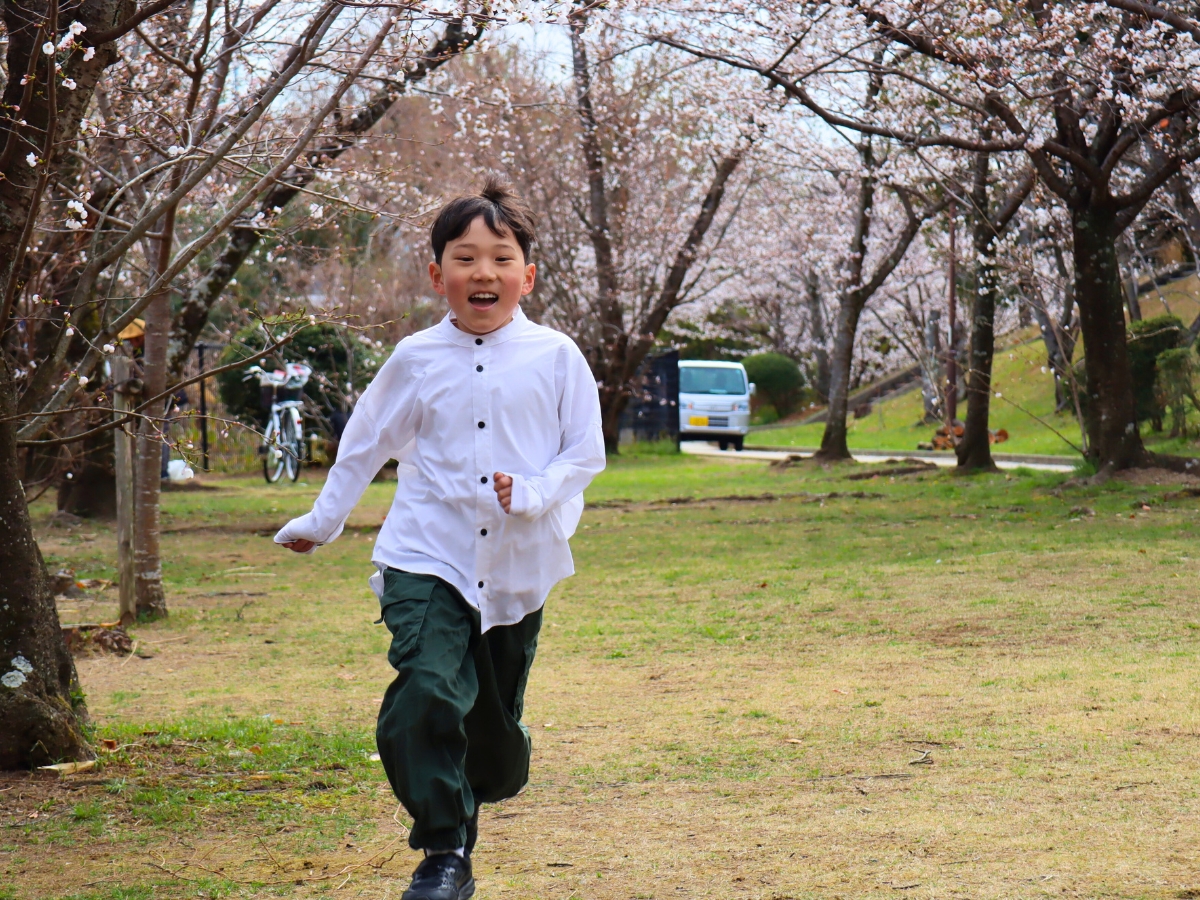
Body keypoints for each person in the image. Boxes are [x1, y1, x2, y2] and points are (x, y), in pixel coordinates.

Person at [274, 178, 605, 900]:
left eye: (500, 257)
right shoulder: (416, 358)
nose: (482, 272)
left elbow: (585, 453)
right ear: (437, 274)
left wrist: (538, 490)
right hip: (427, 552)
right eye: (464, 258)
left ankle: (474, 788)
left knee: (492, 733)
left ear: (527, 274)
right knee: (427, 689)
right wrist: (322, 522)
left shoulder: (555, 355)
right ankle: (444, 852)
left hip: (520, 563)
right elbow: (363, 445)